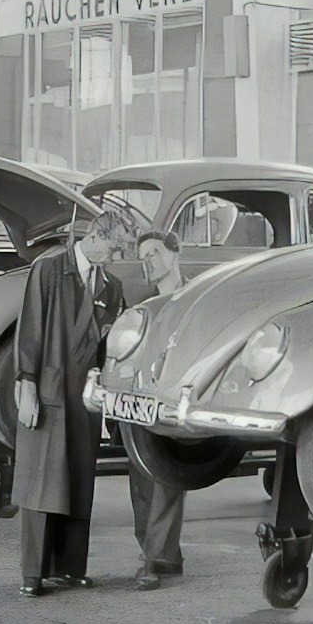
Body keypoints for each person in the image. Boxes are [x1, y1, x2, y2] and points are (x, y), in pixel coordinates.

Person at [12, 206, 136, 596]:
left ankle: (70, 567)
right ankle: (33, 573)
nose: (116, 260)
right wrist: (26, 385)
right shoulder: (48, 271)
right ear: (96, 238)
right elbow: (30, 329)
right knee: (41, 482)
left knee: (80, 479)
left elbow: (111, 346)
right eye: (114, 250)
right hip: (48, 388)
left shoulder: (110, 288)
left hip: (83, 396)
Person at [129, 230, 187, 590]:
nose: (147, 261)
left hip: (178, 398)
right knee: (141, 481)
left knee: (168, 476)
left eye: (153, 253)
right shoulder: (141, 305)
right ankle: (166, 554)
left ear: (174, 252)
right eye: (142, 257)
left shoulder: (200, 296)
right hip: (140, 398)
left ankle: (155, 557)